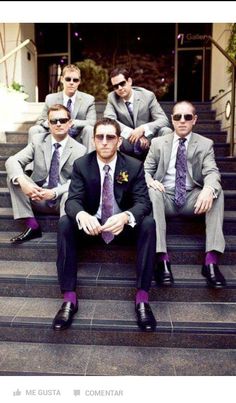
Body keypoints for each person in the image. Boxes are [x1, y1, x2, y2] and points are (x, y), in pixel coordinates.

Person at [52, 117, 157, 332]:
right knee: (65, 223)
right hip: (92, 227)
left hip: (121, 227)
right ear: (93, 140)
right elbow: (73, 200)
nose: (105, 141)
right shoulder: (82, 164)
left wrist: (127, 216)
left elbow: (143, 202)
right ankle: (69, 298)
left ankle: (142, 299)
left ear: (119, 141)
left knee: (148, 224)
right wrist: (82, 215)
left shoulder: (134, 166)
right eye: (100, 137)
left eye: (111, 137)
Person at [144, 100, 226, 288]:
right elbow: (145, 170)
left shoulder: (205, 144)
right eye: (177, 117)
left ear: (194, 120)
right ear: (172, 119)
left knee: (217, 192)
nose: (182, 121)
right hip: (165, 197)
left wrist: (208, 189)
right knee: (152, 191)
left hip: (192, 199)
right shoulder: (157, 143)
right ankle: (161, 258)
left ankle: (211, 261)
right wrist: (151, 180)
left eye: (187, 117)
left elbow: (212, 172)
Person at [5, 104, 86, 243]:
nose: (58, 124)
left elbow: (78, 182)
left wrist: (54, 192)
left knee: (70, 192)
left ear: (70, 123)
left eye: (63, 120)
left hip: (61, 201)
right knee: (14, 176)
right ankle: (32, 225)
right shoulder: (38, 141)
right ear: (48, 124)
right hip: (37, 196)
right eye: (54, 121)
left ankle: (65, 232)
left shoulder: (80, 149)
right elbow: (13, 160)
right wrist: (24, 183)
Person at [104, 67, 172, 159]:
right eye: (116, 86)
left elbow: (164, 120)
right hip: (127, 140)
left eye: (122, 83)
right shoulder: (112, 97)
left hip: (148, 138)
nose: (119, 88)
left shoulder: (147, 96)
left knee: (166, 131)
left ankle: (165, 169)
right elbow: (109, 120)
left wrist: (143, 129)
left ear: (129, 81)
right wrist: (134, 133)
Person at [28, 64, 96, 152]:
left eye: (75, 80)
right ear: (62, 79)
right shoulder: (51, 98)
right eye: (68, 79)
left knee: (89, 129)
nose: (71, 82)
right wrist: (52, 123)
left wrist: (71, 123)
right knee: (34, 130)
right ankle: (31, 164)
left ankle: (89, 164)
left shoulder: (88, 99)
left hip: (77, 136)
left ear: (79, 82)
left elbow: (92, 122)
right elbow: (41, 121)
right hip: (55, 134)